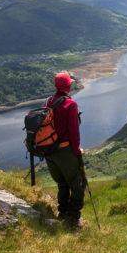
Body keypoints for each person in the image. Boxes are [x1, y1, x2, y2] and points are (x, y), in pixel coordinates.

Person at [45, 71, 86, 230]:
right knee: (77, 184)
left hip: (49, 152)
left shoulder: (48, 101)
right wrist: (77, 151)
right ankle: (73, 218)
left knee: (62, 183)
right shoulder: (71, 104)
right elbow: (74, 133)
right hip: (64, 151)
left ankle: (62, 213)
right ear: (69, 85)